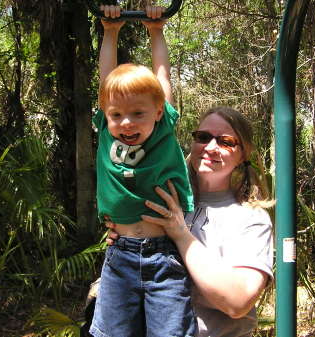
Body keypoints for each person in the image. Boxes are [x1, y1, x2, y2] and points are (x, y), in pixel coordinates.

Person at [106, 106, 274, 337]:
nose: (210, 147)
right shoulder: (164, 198)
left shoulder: (251, 218)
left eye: (226, 142)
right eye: (203, 137)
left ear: (243, 154)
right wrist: (123, 236)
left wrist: (181, 234)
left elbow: (238, 301)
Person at [89, 5, 195, 337]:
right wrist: (110, 31)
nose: (126, 123)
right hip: (119, 255)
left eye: (138, 113)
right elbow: (107, 82)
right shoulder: (107, 133)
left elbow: (162, 81)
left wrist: (156, 30)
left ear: (158, 111)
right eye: (117, 115)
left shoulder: (163, 130)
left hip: (163, 256)